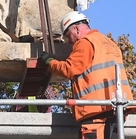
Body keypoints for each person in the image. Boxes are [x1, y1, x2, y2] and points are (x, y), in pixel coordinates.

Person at [39, 11, 134, 139]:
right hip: (116, 110)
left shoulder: (85, 42)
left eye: (67, 36)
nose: (68, 42)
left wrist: (50, 62)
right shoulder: (108, 43)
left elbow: (70, 69)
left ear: (76, 29)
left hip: (96, 112)